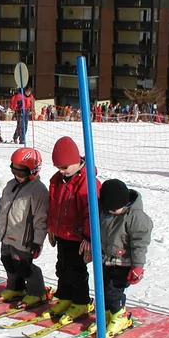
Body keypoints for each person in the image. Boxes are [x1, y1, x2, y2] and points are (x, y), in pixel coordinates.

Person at [43, 137, 100, 325]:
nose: (61, 171)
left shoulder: (87, 182)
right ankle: (65, 297)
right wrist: (51, 227)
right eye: (58, 167)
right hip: (62, 233)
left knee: (76, 270)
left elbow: (91, 212)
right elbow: (53, 205)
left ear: (76, 162)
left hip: (78, 237)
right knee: (62, 267)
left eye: (64, 167)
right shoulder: (57, 180)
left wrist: (89, 236)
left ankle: (81, 301)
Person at [0, 148, 49, 306]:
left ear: (32, 171)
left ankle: (37, 292)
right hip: (7, 234)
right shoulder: (11, 185)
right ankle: (15, 288)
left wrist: (37, 241)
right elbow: (3, 206)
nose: (17, 175)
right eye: (13, 170)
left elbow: (41, 218)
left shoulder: (38, 191)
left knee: (23, 265)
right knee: (7, 261)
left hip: (24, 237)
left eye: (21, 172)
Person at [99, 179, 153, 335]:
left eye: (114, 209)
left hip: (123, 262)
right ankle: (109, 315)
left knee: (113, 291)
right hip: (106, 259)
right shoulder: (106, 210)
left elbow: (140, 243)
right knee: (103, 290)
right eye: (108, 209)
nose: (111, 212)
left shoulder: (136, 217)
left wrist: (138, 265)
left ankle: (120, 316)